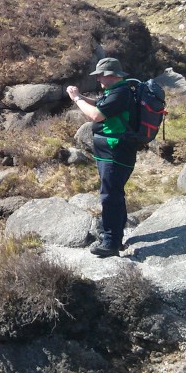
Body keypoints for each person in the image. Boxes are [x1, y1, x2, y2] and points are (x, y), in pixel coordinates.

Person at [66, 57, 138, 257]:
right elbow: (100, 105)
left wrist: (76, 99)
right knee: (115, 193)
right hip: (112, 151)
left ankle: (111, 243)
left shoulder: (120, 93)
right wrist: (81, 96)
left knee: (110, 196)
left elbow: (96, 115)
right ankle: (116, 238)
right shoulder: (116, 92)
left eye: (99, 75)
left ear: (110, 75)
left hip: (115, 152)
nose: (97, 79)